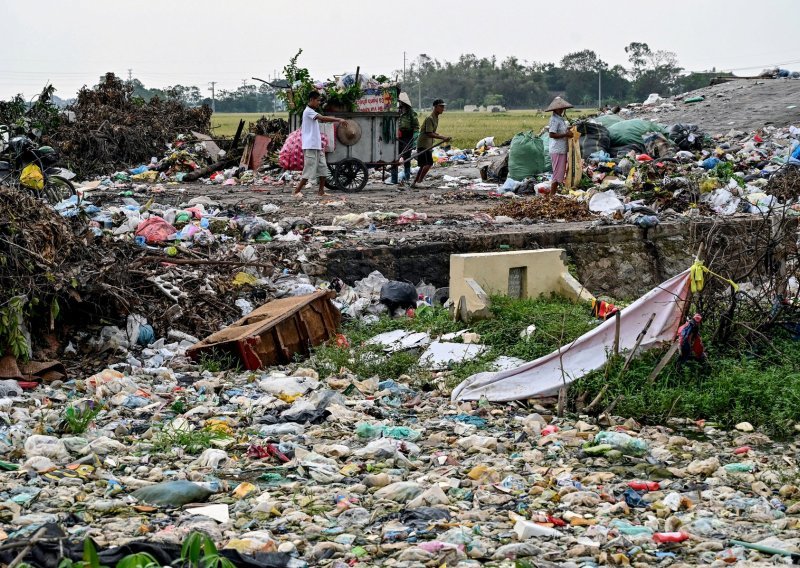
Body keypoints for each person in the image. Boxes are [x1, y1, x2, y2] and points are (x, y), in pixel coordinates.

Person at [294, 91, 345, 199]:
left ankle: (321, 191)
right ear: (311, 100)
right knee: (309, 169)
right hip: (310, 146)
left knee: (323, 168)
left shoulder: (311, 111)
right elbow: (322, 118)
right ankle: (297, 191)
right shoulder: (308, 111)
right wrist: (338, 119)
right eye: (317, 100)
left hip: (317, 146)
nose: (319, 103)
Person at [411, 98, 451, 189]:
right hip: (423, 143)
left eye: (443, 107)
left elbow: (432, 132)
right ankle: (419, 181)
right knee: (427, 163)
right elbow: (429, 133)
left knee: (424, 164)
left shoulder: (436, 118)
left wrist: (439, 136)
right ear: (436, 107)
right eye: (441, 107)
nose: (443, 109)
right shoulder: (430, 118)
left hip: (428, 144)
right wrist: (443, 137)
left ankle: (415, 182)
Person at [546, 96, 574, 194]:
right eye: (560, 108)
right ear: (556, 109)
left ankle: (553, 194)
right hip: (557, 150)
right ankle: (551, 196)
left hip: (562, 149)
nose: (562, 110)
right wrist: (566, 134)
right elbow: (551, 134)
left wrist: (570, 129)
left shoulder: (560, 119)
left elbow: (561, 130)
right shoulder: (554, 119)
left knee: (560, 173)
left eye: (563, 108)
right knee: (557, 174)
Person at [390, 92, 418, 186]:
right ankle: (394, 179)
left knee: (407, 158)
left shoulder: (411, 113)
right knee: (394, 157)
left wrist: (415, 137)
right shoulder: (396, 111)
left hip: (407, 137)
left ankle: (407, 177)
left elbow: (416, 126)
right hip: (397, 136)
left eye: (401, 102)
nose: (400, 103)